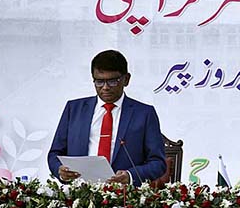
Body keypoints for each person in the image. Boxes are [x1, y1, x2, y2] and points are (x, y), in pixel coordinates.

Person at [47, 50, 166, 186]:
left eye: (112, 81)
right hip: (79, 194)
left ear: (126, 79)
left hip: (124, 197)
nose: (105, 87)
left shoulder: (144, 113)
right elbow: (54, 154)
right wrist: (60, 170)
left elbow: (158, 163)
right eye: (99, 82)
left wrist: (131, 175)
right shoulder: (73, 109)